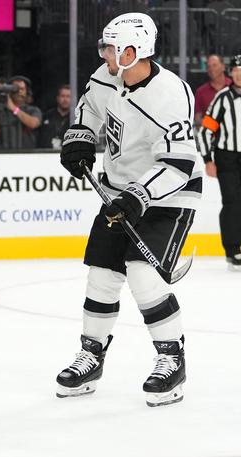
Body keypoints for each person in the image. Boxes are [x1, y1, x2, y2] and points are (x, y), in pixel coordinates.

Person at [57, 12, 201, 407]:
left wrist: (139, 196)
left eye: (110, 47)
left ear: (133, 50)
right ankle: (91, 356)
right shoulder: (107, 76)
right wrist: (80, 138)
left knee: (142, 274)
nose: (103, 54)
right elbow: (89, 108)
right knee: (102, 275)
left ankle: (172, 359)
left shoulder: (171, 94)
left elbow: (178, 165)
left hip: (170, 196)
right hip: (119, 193)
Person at [198, 54, 241, 270]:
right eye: (236, 70)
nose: (239, 74)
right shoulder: (222, 98)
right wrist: (207, 159)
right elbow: (205, 131)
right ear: (230, 73)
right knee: (233, 202)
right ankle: (233, 250)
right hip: (227, 157)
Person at [0, 75, 42, 149]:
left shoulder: (33, 110)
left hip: (26, 157)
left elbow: (33, 123)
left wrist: (14, 108)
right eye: (15, 89)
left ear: (27, 92)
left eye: (22, 89)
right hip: (2, 156)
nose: (19, 92)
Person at [194, 54, 231, 126]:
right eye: (209, 66)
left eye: (214, 65)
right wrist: (217, 126)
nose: (211, 69)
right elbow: (197, 120)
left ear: (223, 67)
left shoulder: (235, 87)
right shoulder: (201, 92)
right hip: (211, 135)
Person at [38, 84, 71, 149]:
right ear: (57, 98)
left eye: (68, 96)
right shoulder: (47, 115)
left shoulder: (76, 117)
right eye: (63, 96)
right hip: (45, 154)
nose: (65, 99)